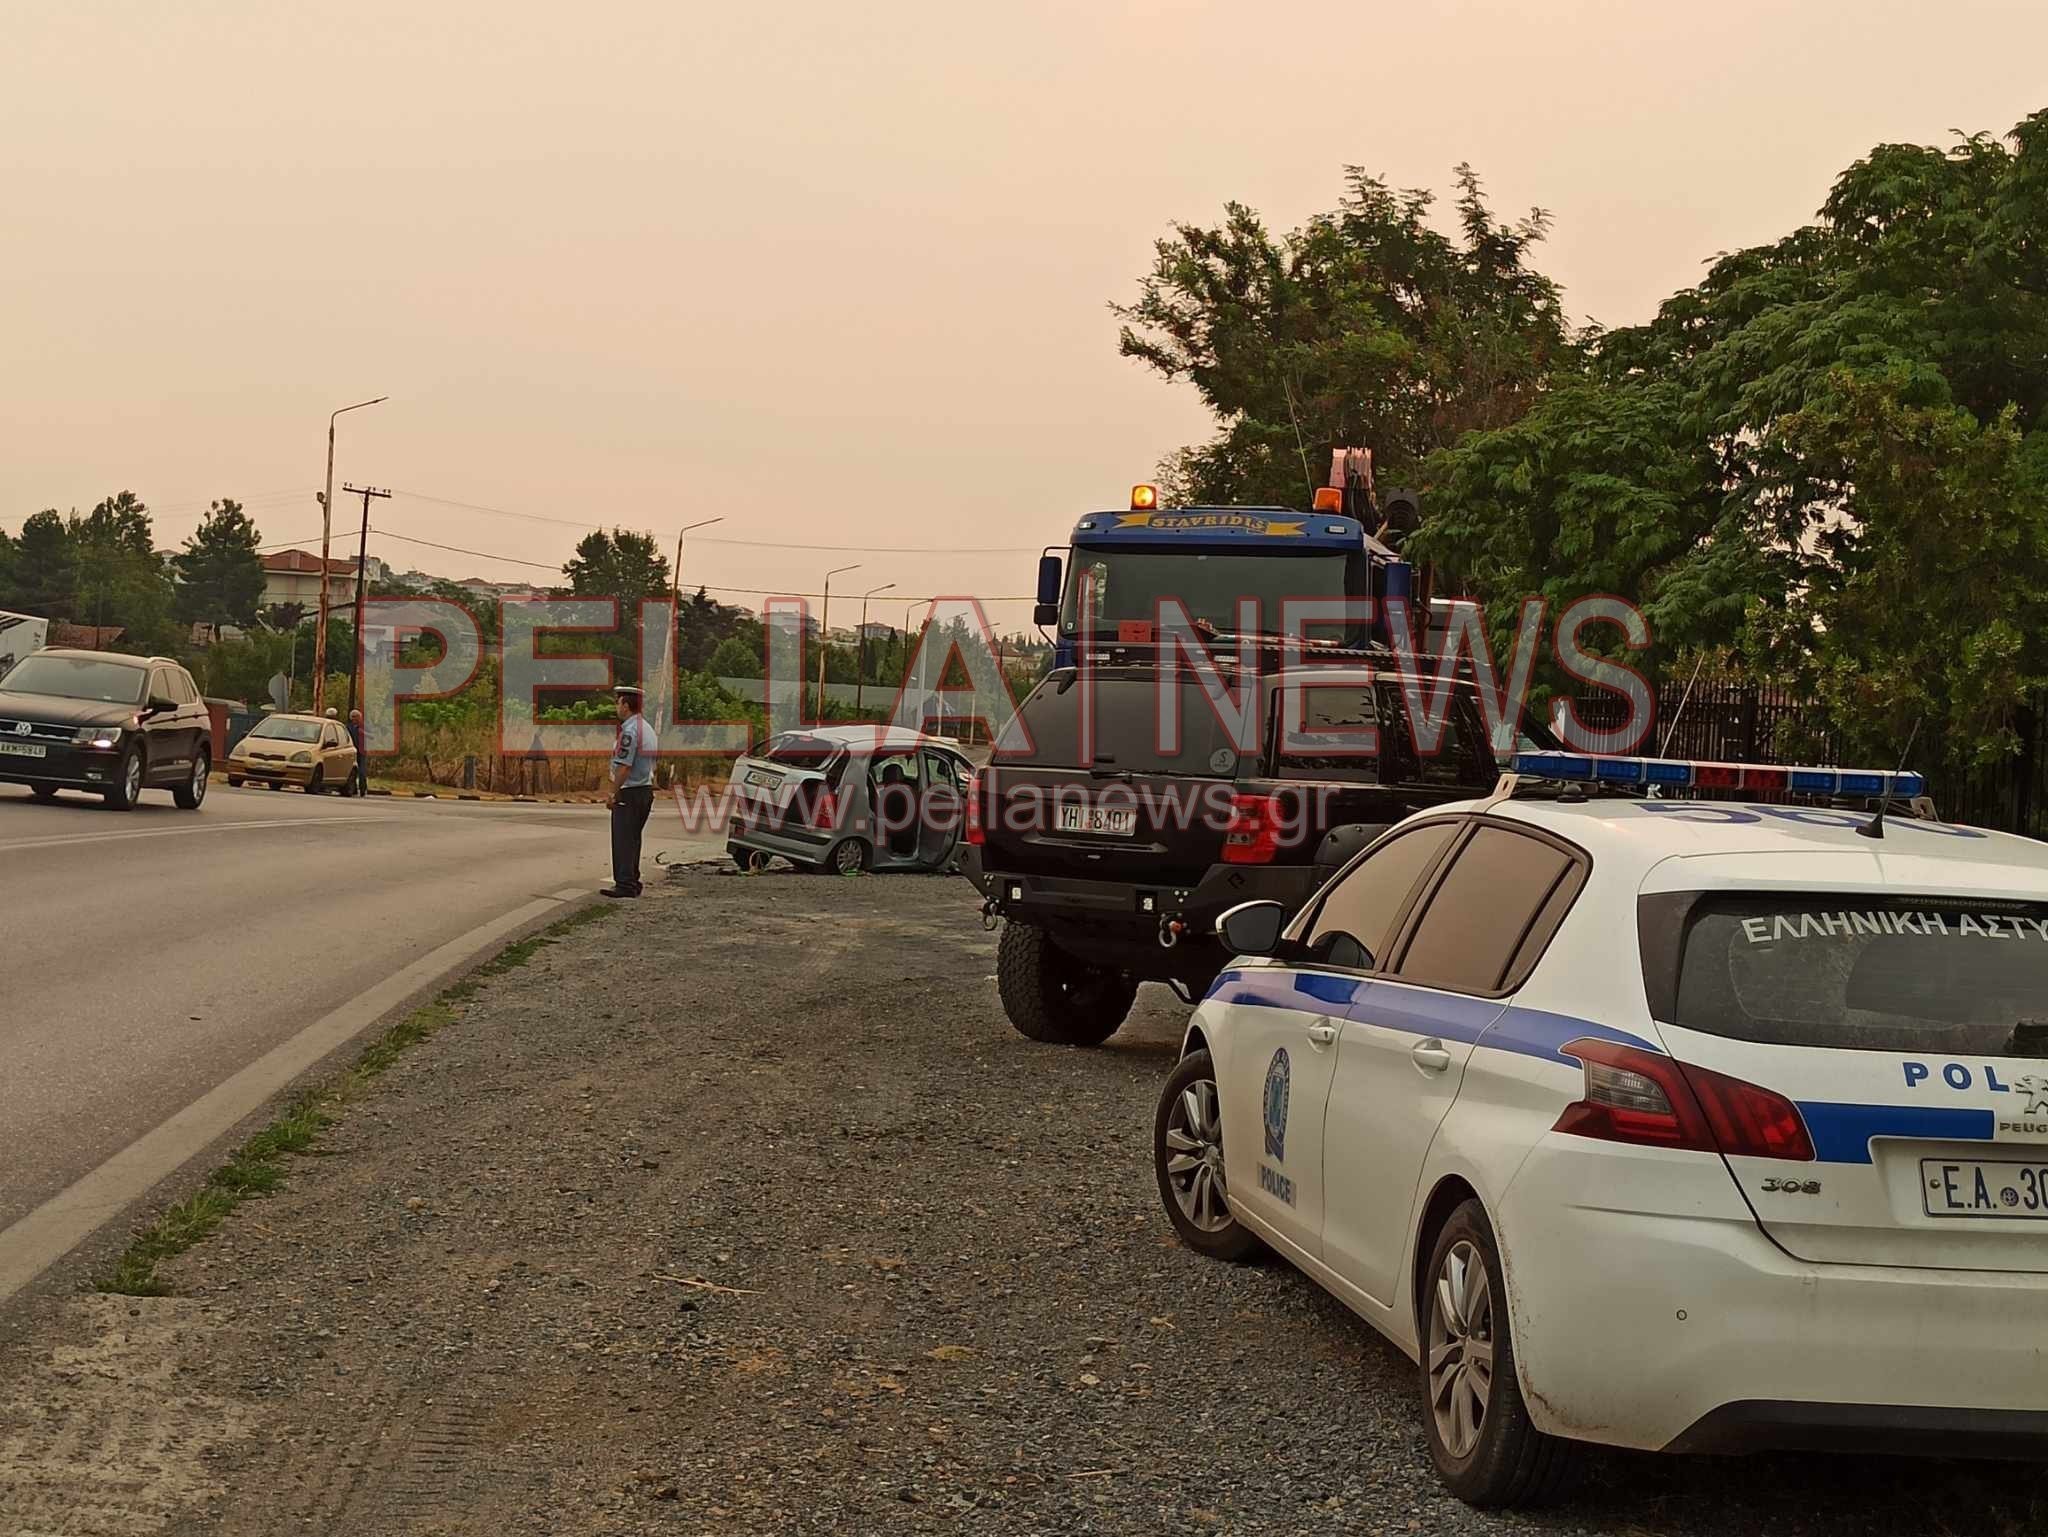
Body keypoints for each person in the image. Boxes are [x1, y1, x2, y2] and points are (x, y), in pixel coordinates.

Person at [603, 685, 657, 897]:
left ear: (626, 705)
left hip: (630, 791)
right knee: (633, 838)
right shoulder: (647, 728)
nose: (617, 707)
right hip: (644, 790)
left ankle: (625, 884)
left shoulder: (630, 731)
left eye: (618, 702)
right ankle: (632, 881)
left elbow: (624, 766)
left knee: (624, 839)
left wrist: (613, 792)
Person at [346, 708, 368, 797]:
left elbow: (373, 737)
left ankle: (363, 789)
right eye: (353, 717)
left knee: (362, 772)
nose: (355, 719)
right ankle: (353, 789)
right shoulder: (348, 727)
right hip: (352, 751)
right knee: (352, 771)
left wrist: (363, 733)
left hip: (362, 752)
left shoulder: (364, 727)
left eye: (357, 717)